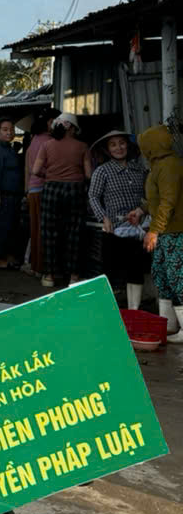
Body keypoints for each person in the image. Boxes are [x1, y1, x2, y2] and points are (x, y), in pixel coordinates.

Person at [89, 131, 149, 309]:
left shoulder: (140, 169)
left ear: (128, 145)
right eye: (113, 144)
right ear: (107, 150)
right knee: (111, 271)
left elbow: (148, 197)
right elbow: (93, 196)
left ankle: (134, 310)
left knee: (136, 271)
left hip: (138, 229)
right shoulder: (102, 171)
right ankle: (108, 310)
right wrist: (103, 217)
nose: (118, 147)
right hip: (113, 229)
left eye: (121, 143)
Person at [32, 112, 92, 287]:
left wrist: (50, 174)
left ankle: (49, 276)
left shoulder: (47, 145)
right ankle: (73, 276)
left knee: (50, 232)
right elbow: (89, 174)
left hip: (51, 189)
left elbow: (35, 170)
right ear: (72, 128)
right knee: (74, 232)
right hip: (75, 190)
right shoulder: (82, 147)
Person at [139, 124, 183, 342]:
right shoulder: (157, 166)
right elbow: (156, 201)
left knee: (178, 278)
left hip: (176, 231)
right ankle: (168, 324)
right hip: (165, 231)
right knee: (162, 275)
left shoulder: (170, 166)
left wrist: (154, 230)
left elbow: (168, 201)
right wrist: (141, 210)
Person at [22, 108, 57, 276]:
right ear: (47, 123)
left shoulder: (33, 140)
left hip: (33, 190)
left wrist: (27, 189)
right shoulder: (50, 142)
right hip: (44, 189)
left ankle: (34, 265)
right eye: (53, 122)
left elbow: (28, 168)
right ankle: (42, 268)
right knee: (45, 231)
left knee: (35, 230)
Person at [0, 118, 25, 270]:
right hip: (3, 195)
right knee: (2, 228)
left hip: (14, 195)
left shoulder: (9, 149)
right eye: (4, 129)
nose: (9, 132)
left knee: (11, 228)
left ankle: (6, 257)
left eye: (11, 129)